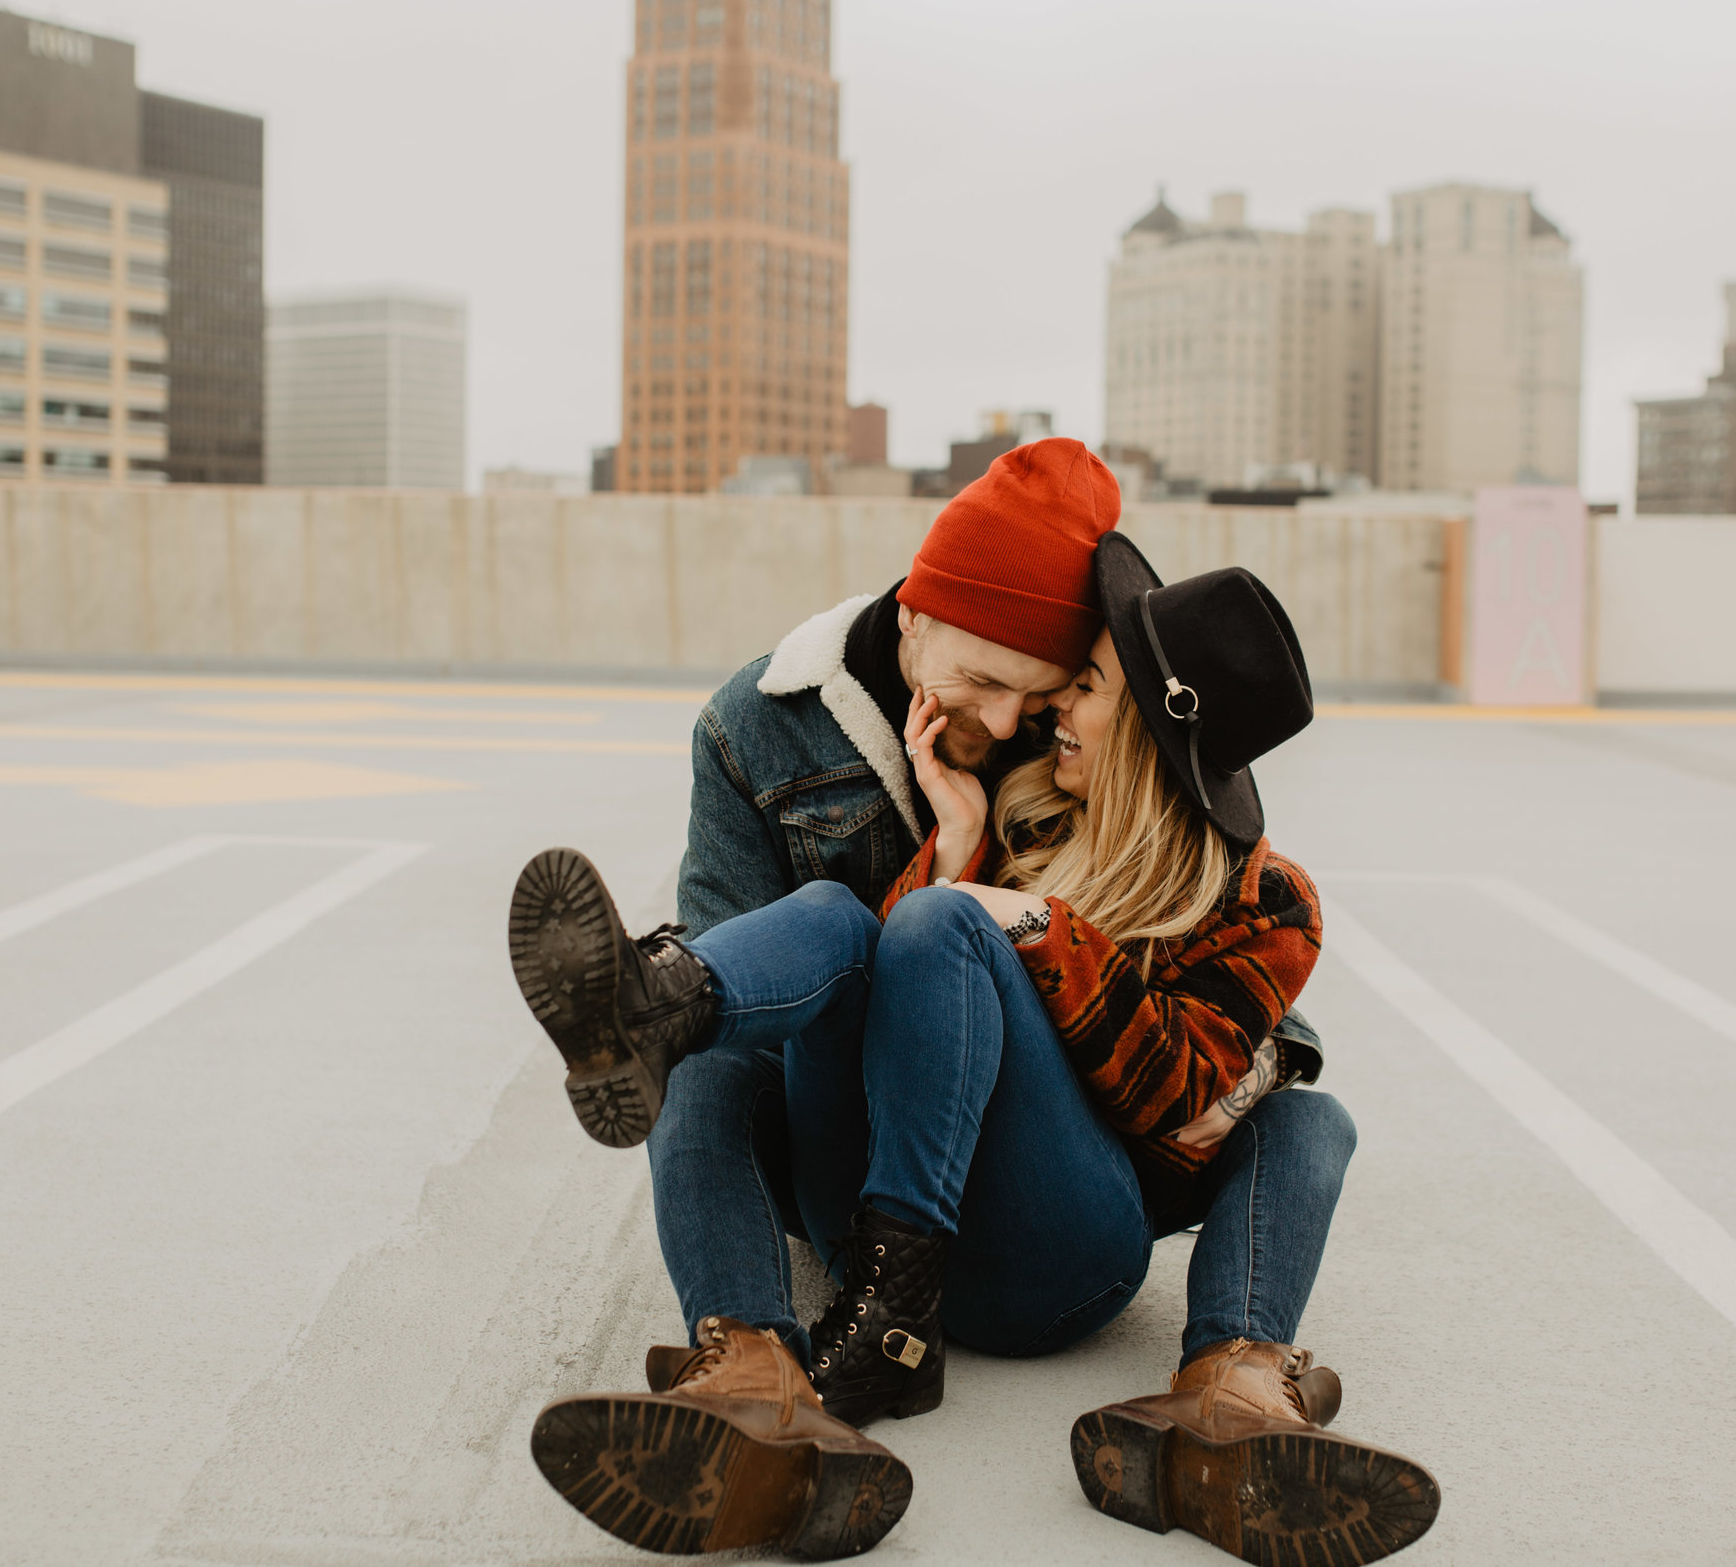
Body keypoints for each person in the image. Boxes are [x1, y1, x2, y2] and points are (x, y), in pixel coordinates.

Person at [510, 513, 1438, 1563]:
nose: (1048, 716)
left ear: (1142, 723)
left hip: (1052, 1255)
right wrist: (954, 847)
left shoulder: (1267, 898)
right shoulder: (1018, 814)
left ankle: (1234, 1393)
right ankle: (747, 1366)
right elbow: (905, 995)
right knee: (732, 1030)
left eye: (1082, 687)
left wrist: (1033, 925)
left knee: (1310, 1119)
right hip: (862, 1219)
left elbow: (1175, 1098)